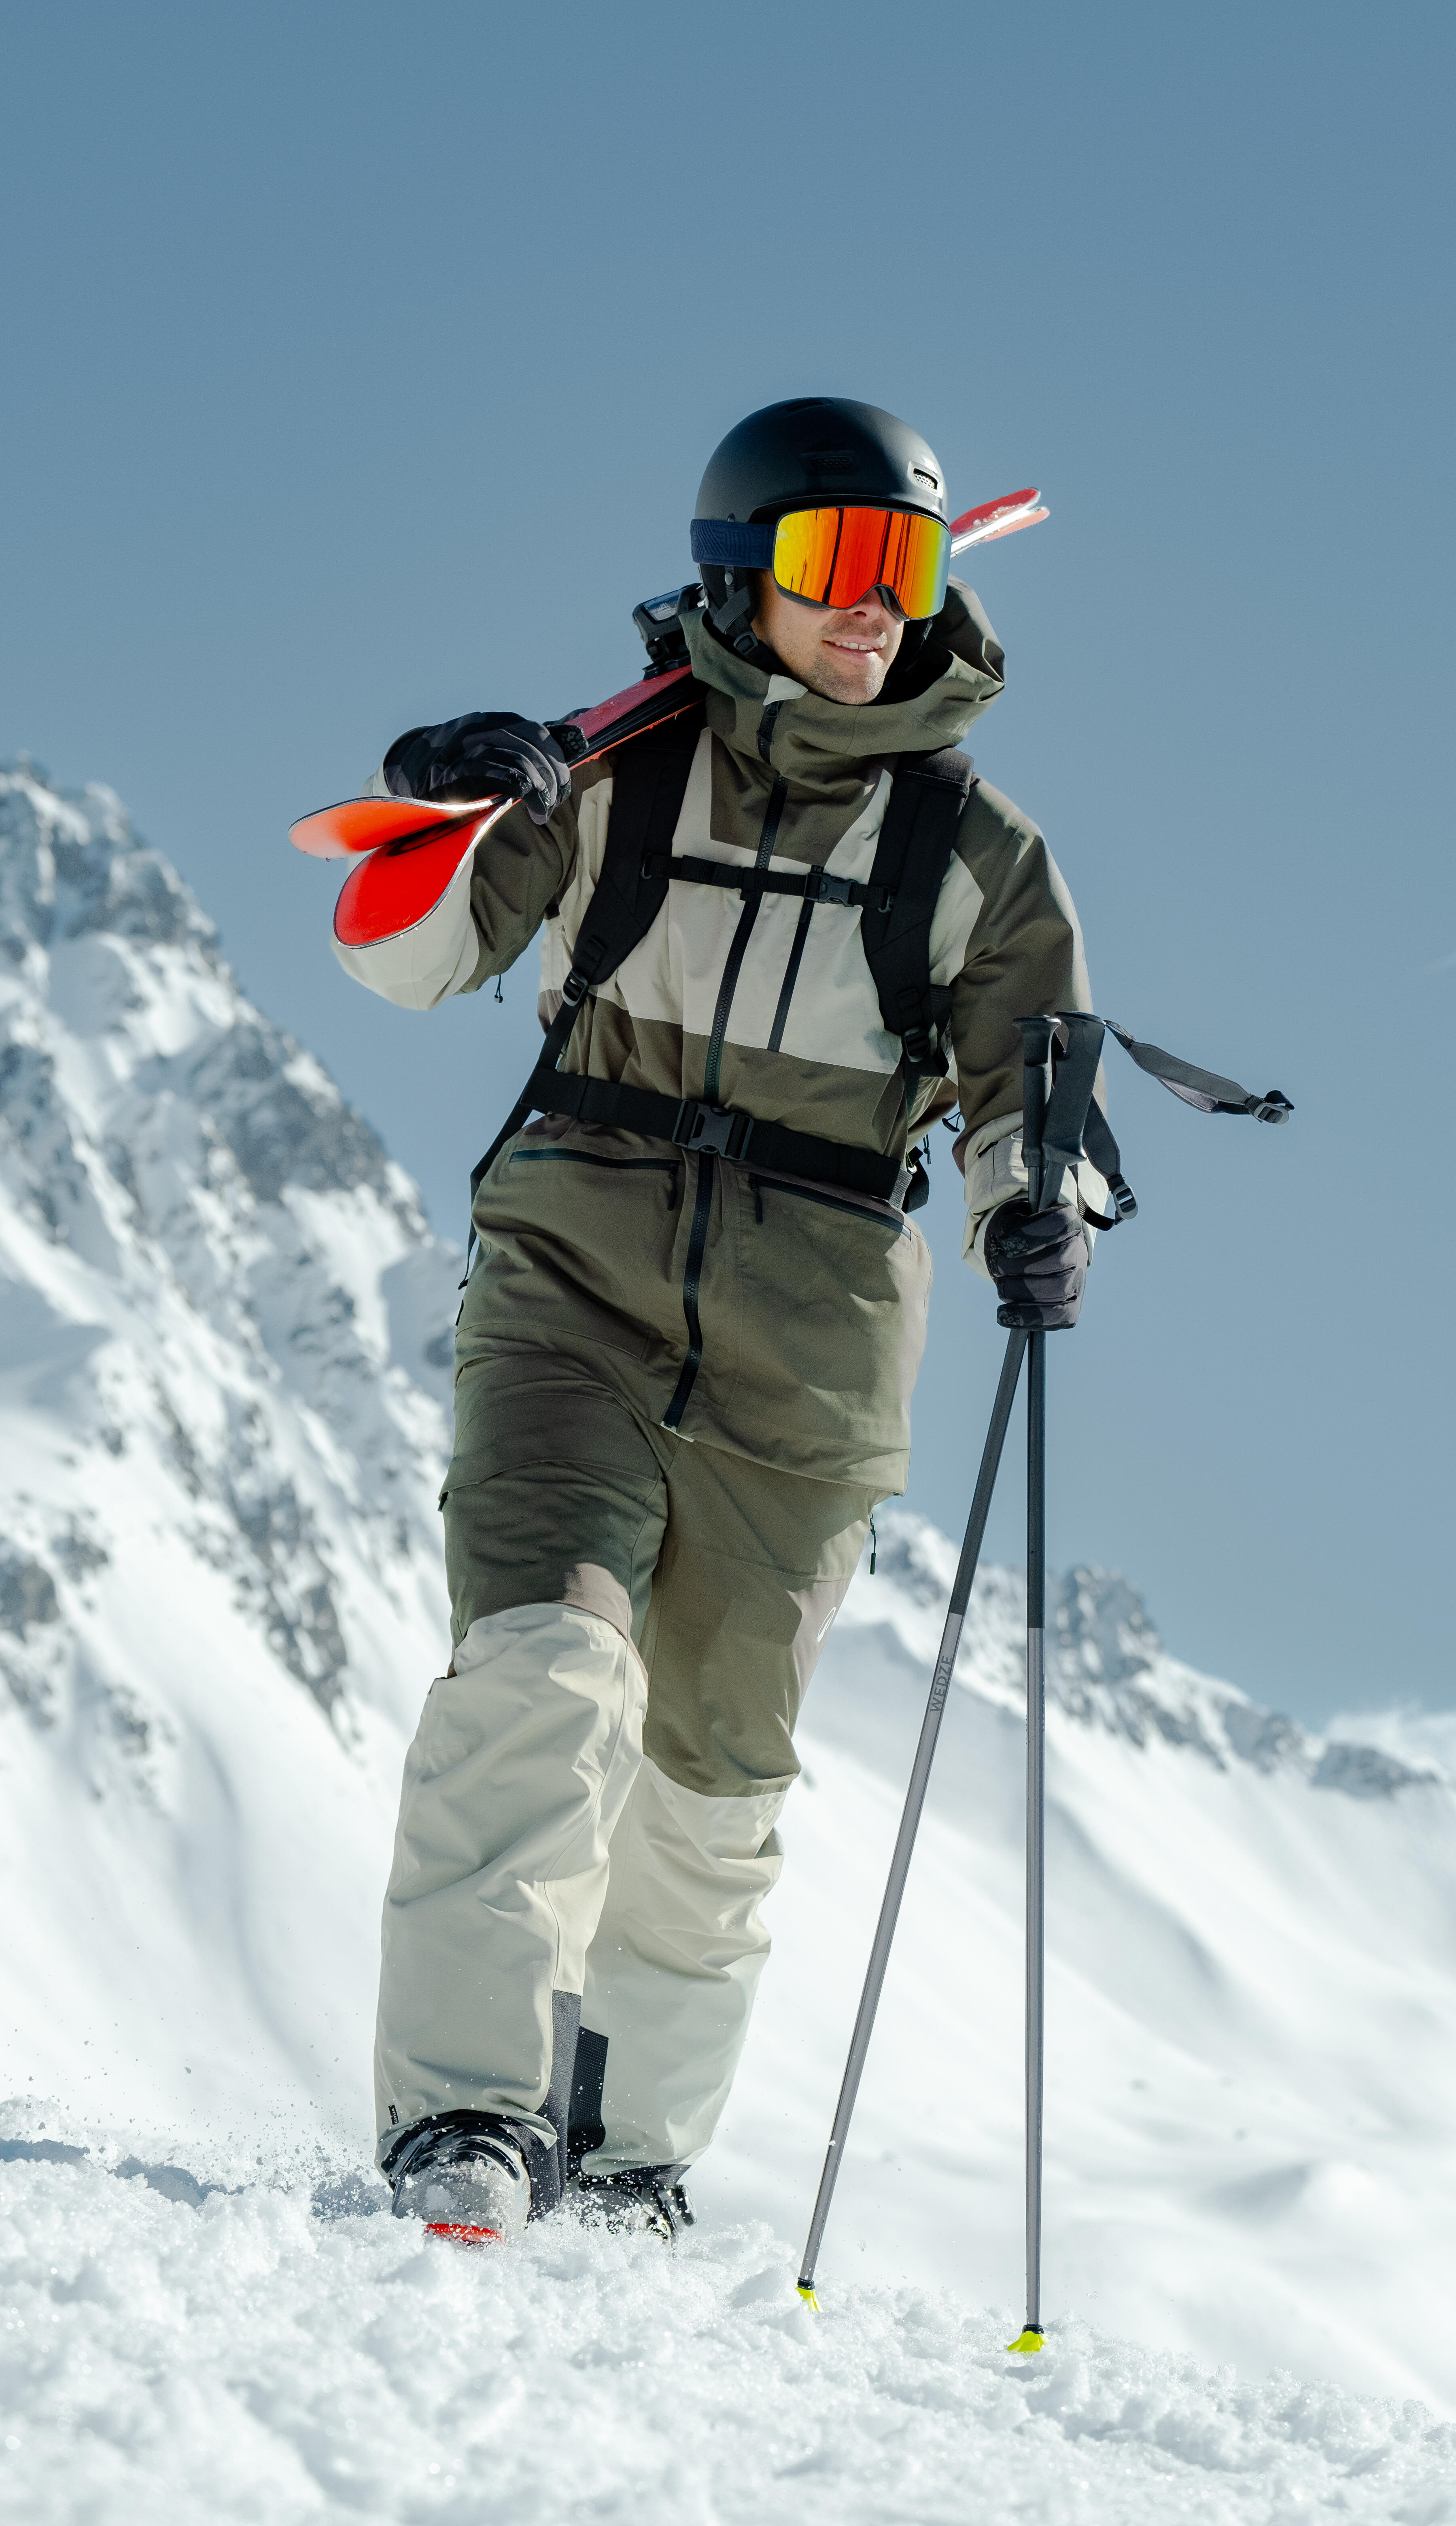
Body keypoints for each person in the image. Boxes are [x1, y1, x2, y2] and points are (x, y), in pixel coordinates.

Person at [331, 397, 1103, 2243]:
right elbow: (401, 956)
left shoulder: (974, 852)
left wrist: (1034, 1215)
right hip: (569, 1290)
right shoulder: (612, 779)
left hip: (812, 1340)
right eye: (840, 563)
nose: (876, 607)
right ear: (741, 577)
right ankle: (466, 2115)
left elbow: (1027, 1093)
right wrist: (453, 796)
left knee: (712, 1773)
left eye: (906, 567)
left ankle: (629, 2153)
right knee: (540, 1671)